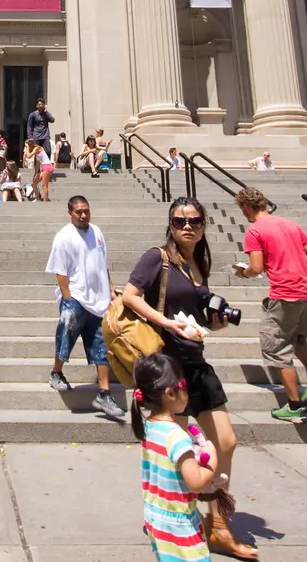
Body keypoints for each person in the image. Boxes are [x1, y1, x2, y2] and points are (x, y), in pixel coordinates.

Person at [120, 197, 257, 560]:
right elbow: (131, 296)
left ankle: (219, 524)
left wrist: (215, 323)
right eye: (180, 221)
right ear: (170, 224)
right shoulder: (157, 258)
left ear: (203, 225)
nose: (187, 226)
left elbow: (195, 314)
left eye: (194, 220)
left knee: (225, 442)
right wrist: (165, 322)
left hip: (197, 363)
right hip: (169, 366)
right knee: (172, 451)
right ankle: (173, 515)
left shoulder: (200, 261)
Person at [232, 187, 307, 422]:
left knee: (276, 348)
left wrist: (243, 273)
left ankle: (294, 406)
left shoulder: (255, 230)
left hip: (285, 295)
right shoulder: (291, 225)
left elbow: (256, 268)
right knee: (298, 338)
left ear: (246, 207)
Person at [133, 352, 221, 562]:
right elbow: (196, 482)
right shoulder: (177, 437)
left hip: (156, 516)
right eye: (185, 387)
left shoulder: (148, 427)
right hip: (179, 524)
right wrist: (213, 458)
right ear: (171, 393)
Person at [45, 195, 124, 419]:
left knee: (102, 345)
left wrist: (109, 288)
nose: (83, 215)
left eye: (86, 211)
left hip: (99, 300)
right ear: (70, 213)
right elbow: (60, 272)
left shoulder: (97, 232)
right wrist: (68, 298)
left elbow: (103, 263)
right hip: (76, 297)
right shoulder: (63, 237)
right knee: (67, 335)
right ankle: (57, 372)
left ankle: (104, 393)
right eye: (79, 212)